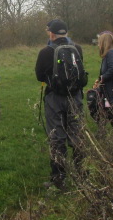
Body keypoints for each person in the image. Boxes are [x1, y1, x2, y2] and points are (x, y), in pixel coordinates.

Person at [35, 19, 86, 190]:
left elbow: (39, 75)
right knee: (77, 134)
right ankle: (82, 174)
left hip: (54, 98)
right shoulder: (77, 49)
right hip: (75, 97)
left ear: (52, 34)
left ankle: (59, 178)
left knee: (56, 137)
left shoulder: (45, 52)